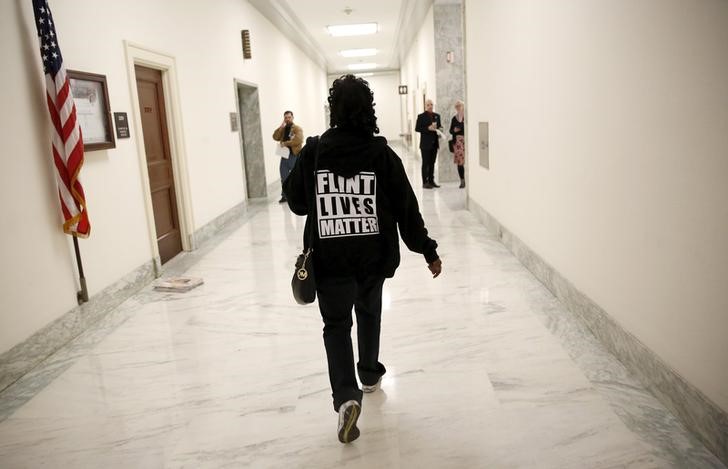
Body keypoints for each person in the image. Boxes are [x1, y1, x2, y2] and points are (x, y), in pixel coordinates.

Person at [283, 75, 442, 444]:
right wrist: (428, 250)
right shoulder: (382, 154)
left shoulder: (316, 151)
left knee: (336, 327)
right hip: (373, 258)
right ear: (369, 110)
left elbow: (298, 202)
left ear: (333, 109)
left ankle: (345, 398)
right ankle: (369, 375)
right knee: (369, 314)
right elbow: (406, 209)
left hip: (330, 260)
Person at [272, 111, 303, 203]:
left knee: (296, 176)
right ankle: (285, 196)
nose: (287, 119)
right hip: (284, 156)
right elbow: (275, 137)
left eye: (289, 117)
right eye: (286, 117)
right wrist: (281, 127)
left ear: (292, 118)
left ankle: (298, 195)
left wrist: (285, 143)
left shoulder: (297, 128)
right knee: (284, 177)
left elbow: (298, 140)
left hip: (294, 155)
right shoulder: (283, 129)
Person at [415, 99, 442, 189]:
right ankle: (425, 182)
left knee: (432, 163)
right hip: (425, 144)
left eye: (431, 104)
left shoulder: (437, 116)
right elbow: (417, 128)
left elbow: (439, 127)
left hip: (434, 144)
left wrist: (440, 129)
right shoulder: (421, 116)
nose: (430, 106)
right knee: (425, 163)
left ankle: (431, 180)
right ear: (425, 106)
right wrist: (428, 128)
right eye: (428, 105)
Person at [449, 100, 466, 188]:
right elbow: (450, 131)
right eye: (457, 106)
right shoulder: (454, 118)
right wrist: (454, 131)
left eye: (460, 106)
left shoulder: (466, 117)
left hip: (466, 141)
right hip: (458, 142)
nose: (458, 108)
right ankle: (462, 181)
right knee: (460, 163)